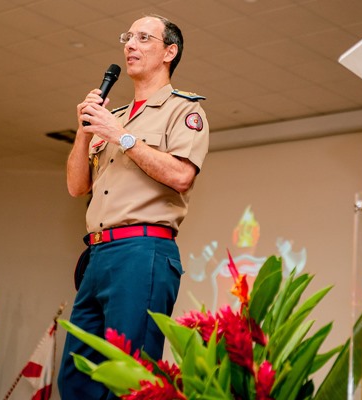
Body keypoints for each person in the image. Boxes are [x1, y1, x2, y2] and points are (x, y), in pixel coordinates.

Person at [58, 14, 209, 399]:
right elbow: (77, 187)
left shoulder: (183, 110)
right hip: (97, 253)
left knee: (132, 377)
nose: (130, 45)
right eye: (128, 37)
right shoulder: (117, 116)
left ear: (169, 52)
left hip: (143, 251)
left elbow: (181, 176)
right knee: (77, 375)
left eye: (144, 38)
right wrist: (84, 132)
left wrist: (120, 136)